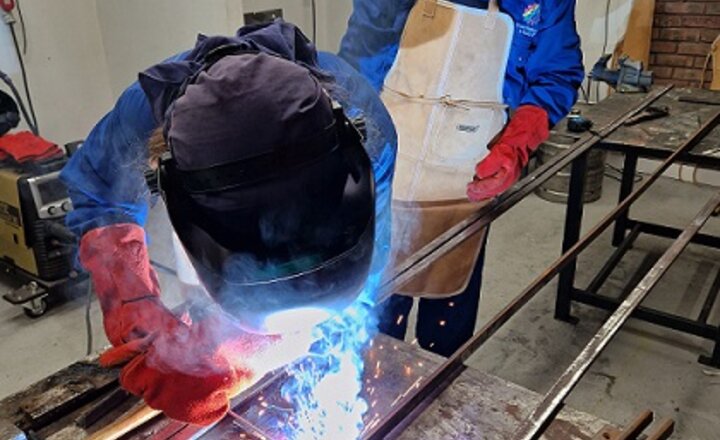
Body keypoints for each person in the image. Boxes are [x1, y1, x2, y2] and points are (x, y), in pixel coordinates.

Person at [60, 21, 396, 426]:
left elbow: (362, 257)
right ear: (165, 179)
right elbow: (98, 194)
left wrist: (267, 347)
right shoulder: (141, 116)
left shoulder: (362, 123)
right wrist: (135, 308)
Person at [338, 0, 584, 357]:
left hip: (466, 176)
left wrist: (516, 144)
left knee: (448, 320)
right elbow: (361, 53)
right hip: (389, 163)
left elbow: (556, 72)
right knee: (375, 317)